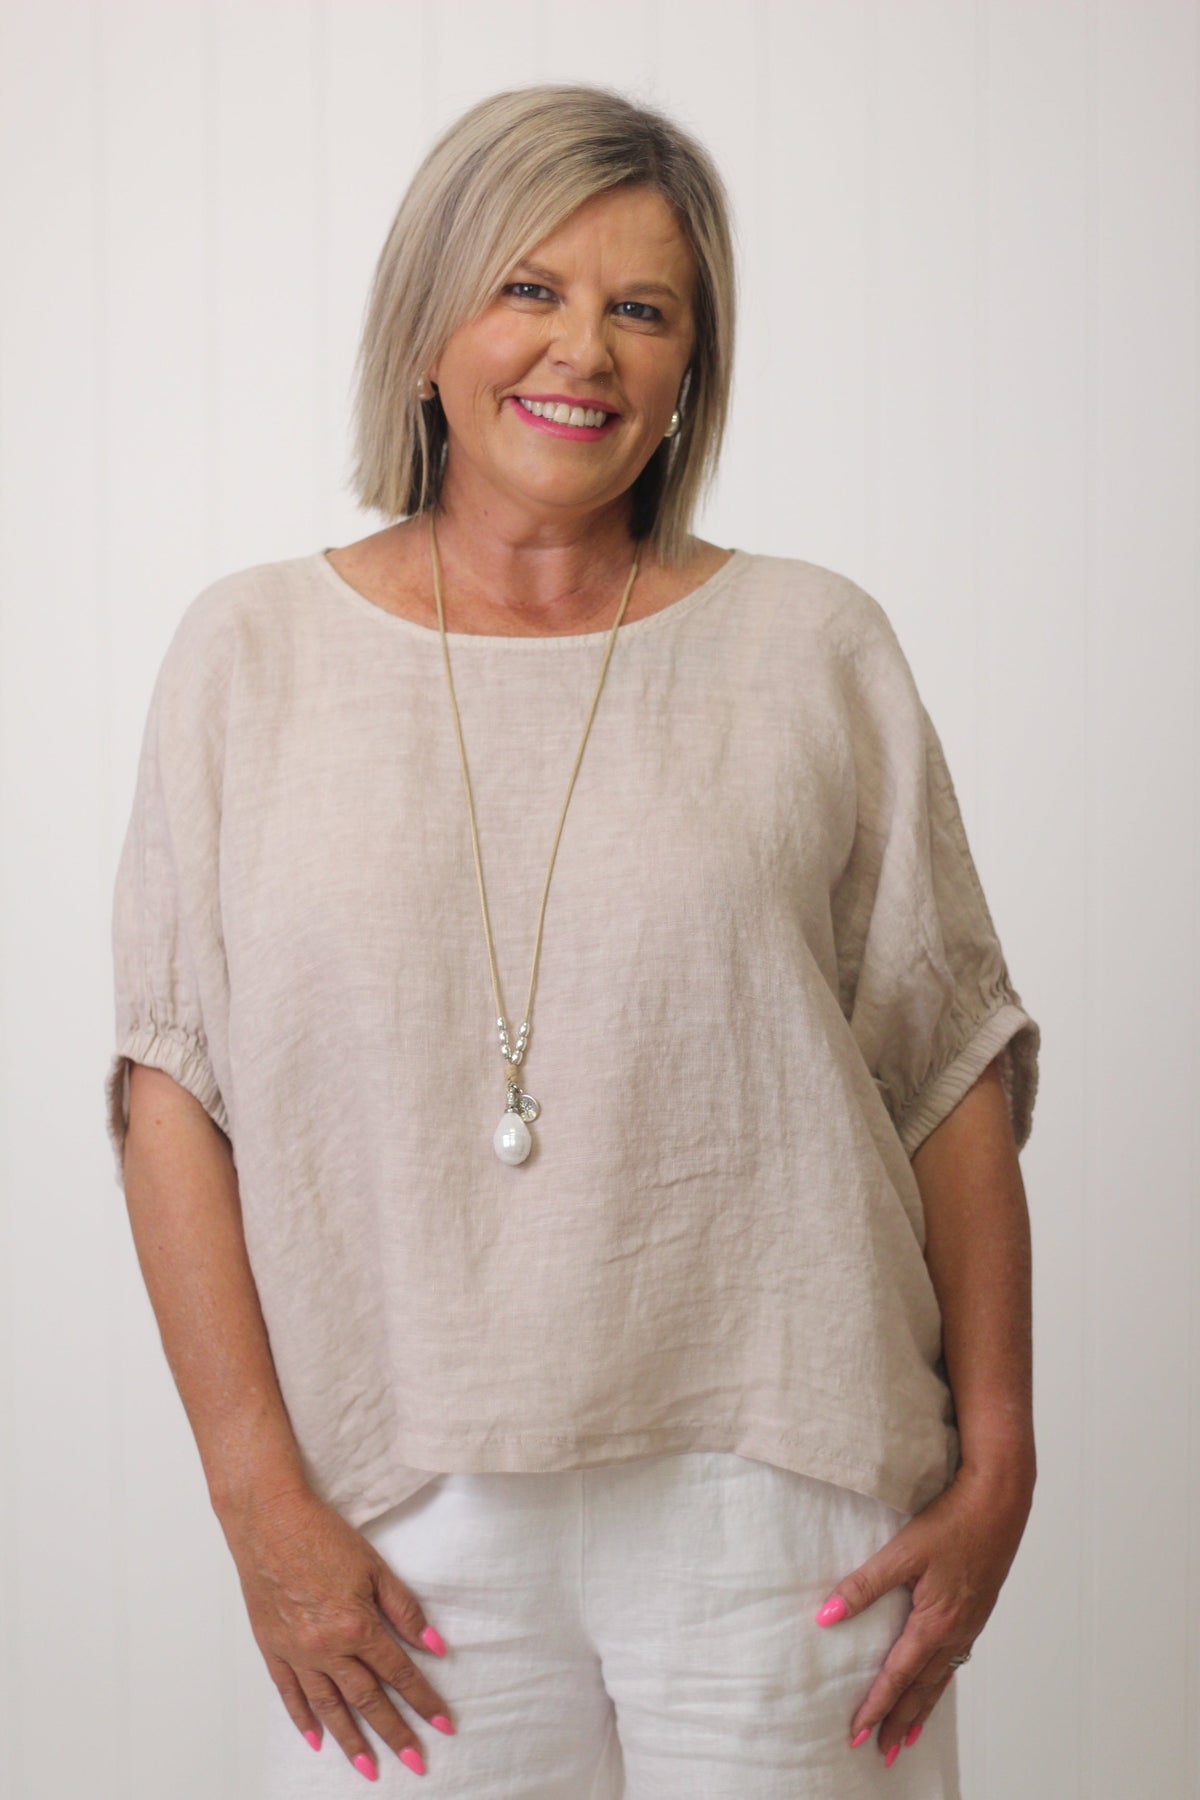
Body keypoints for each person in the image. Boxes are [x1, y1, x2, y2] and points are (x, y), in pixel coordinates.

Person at [105, 82, 1040, 1798]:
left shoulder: (813, 645)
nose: (584, 349)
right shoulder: (247, 657)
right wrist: (254, 1501)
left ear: (691, 372)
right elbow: (174, 1092)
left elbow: (946, 1061)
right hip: (397, 1508)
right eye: (529, 287)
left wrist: (1002, 1466)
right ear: (427, 331)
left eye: (644, 310)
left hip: (787, 1490)